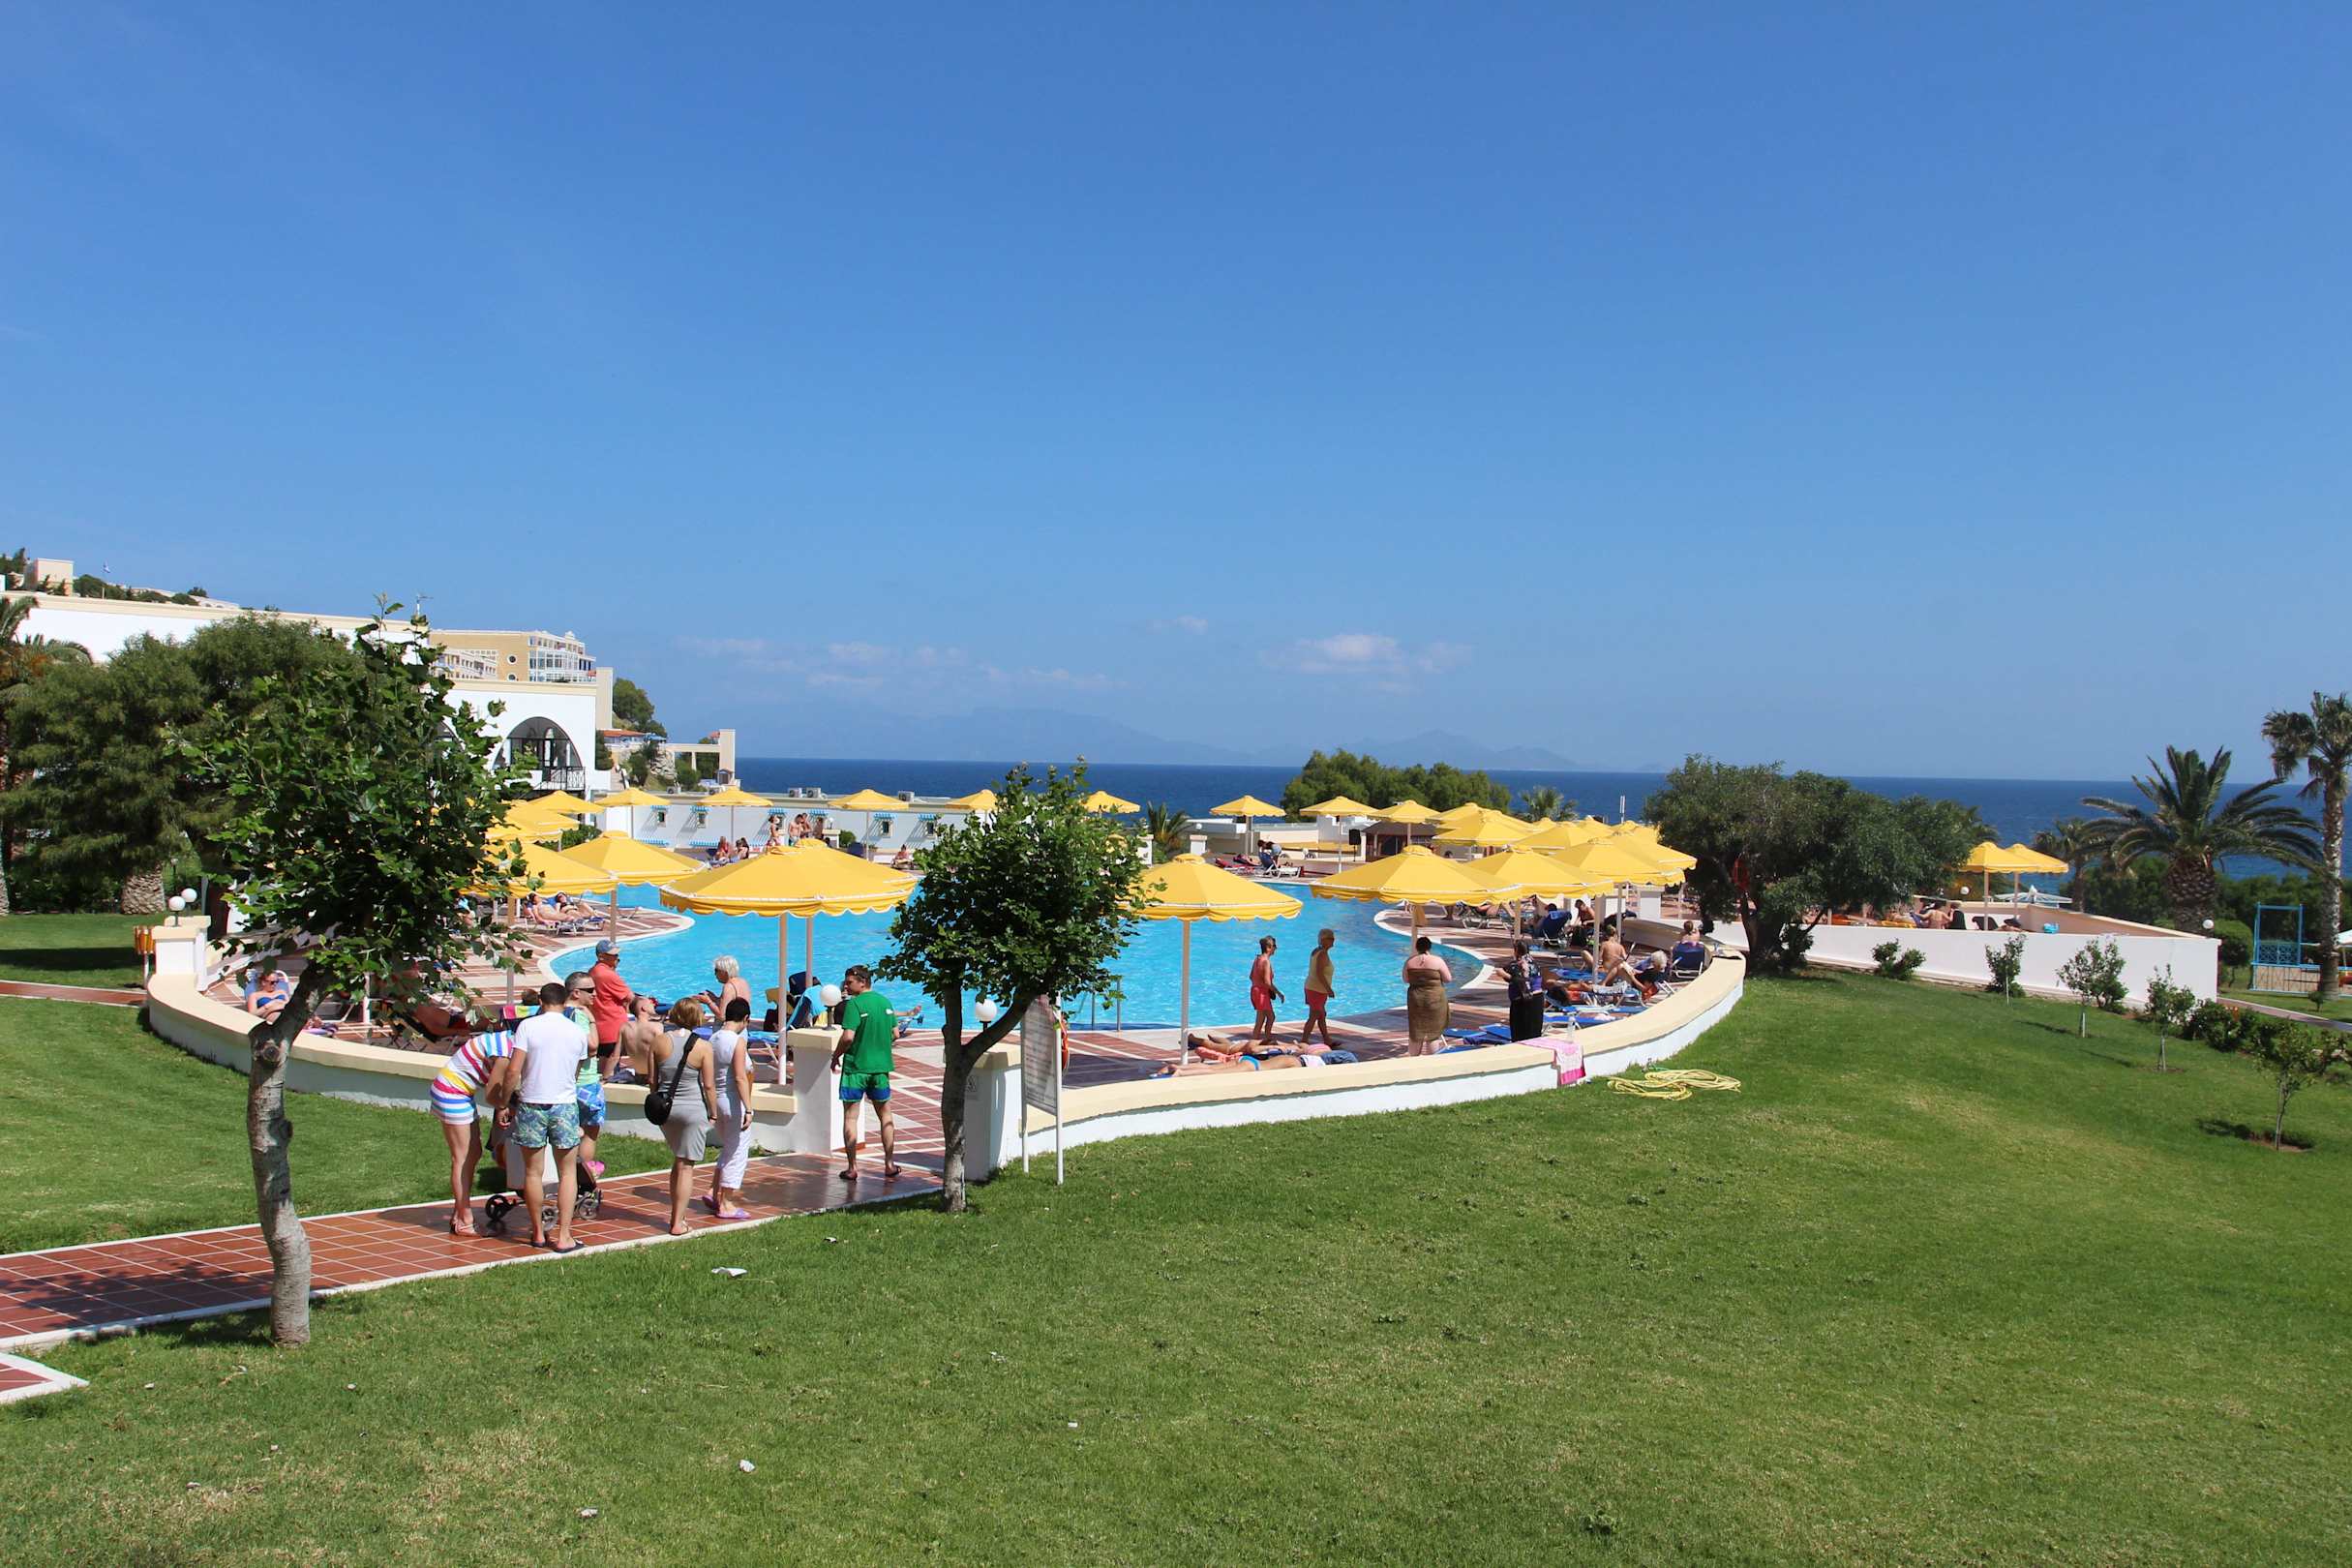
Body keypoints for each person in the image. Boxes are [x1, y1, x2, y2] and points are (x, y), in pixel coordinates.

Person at [504, 981, 589, 1252]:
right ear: (565, 1002)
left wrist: (504, 1100)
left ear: (541, 1001)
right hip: (564, 1105)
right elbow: (575, 1072)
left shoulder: (528, 1026)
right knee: (568, 1173)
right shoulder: (577, 1032)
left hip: (532, 1103)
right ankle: (564, 1236)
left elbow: (513, 1069)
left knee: (533, 1172)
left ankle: (538, 1232)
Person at [429, 1008, 518, 1235]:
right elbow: (492, 1094)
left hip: (458, 1091)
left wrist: (506, 1104)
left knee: (473, 1153)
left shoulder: (508, 1041)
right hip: (451, 1092)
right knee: (462, 1157)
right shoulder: (505, 1052)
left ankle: (459, 1212)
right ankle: (464, 1220)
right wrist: (504, 1107)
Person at [642, 999, 716, 1236]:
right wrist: (713, 1113)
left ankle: (677, 1216)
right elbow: (709, 1085)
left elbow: (652, 1080)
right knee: (686, 1166)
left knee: (678, 1161)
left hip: (666, 1110)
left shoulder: (659, 1041)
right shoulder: (703, 1047)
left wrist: (657, 1101)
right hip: (693, 1110)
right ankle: (677, 1223)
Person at [830, 964, 901, 1183]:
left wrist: (836, 1055)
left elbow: (848, 1037)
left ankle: (852, 1168)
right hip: (880, 1069)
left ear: (863, 982)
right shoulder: (885, 1002)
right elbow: (896, 1034)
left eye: (849, 983)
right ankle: (889, 1164)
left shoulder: (854, 1004)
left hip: (856, 1069)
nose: (845, 986)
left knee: (851, 1117)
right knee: (885, 1115)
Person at [705, 997, 757, 1220]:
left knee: (728, 1147)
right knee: (737, 1152)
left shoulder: (713, 1038)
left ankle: (713, 1191)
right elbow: (740, 1077)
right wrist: (749, 1108)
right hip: (733, 1101)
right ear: (746, 1018)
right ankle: (726, 1203)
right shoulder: (737, 1041)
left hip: (716, 1101)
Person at [559, 969, 608, 1177]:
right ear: (576, 993)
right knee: (589, 1132)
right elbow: (592, 1046)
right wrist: (592, 1020)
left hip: (563, 1080)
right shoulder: (579, 1015)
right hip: (585, 1082)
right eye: (590, 990)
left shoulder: (557, 1012)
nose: (595, 994)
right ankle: (585, 1175)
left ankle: (566, 1172)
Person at [588, 938, 634, 1080]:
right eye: (613, 955)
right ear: (601, 956)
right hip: (613, 1026)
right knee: (610, 1070)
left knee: (603, 1063)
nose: (617, 958)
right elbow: (630, 997)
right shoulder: (608, 975)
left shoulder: (593, 971)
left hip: (601, 1024)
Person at [1403, 936, 1451, 1055]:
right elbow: (1448, 979)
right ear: (1430, 947)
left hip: (1416, 999)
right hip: (1435, 998)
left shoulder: (1409, 962)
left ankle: (1414, 1059)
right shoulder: (1437, 961)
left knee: (1416, 1031)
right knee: (1433, 1032)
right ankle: (1431, 1060)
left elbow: (1406, 979)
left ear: (1417, 947)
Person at [1504, 937, 1545, 1041]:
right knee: (1534, 1034)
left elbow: (1519, 979)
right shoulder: (1534, 962)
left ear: (1516, 951)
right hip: (1537, 999)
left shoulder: (1518, 964)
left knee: (1520, 1035)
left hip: (1524, 1001)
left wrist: (1503, 974)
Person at [1302, 928, 1336, 1047]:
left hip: (1314, 988)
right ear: (1323, 940)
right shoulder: (1322, 954)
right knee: (1314, 1015)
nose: (1333, 940)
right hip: (1317, 989)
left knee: (1321, 1015)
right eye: (1331, 938)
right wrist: (1329, 989)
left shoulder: (1317, 951)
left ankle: (1327, 1040)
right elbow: (1319, 973)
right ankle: (1304, 1041)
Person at [1248, 936, 1283, 1046]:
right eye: (1274, 946)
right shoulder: (1266, 961)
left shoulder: (1257, 959)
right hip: (1261, 993)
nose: (1275, 948)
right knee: (1263, 1019)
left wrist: (1259, 985)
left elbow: (1251, 976)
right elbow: (1268, 982)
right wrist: (1278, 993)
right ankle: (1257, 1043)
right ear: (1268, 947)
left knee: (1268, 1017)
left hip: (1255, 991)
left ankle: (1265, 1040)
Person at [699, 955, 751, 1021]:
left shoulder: (728, 987)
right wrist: (715, 999)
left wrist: (708, 1002)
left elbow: (721, 1016)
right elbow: (733, 1005)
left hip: (731, 1026)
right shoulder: (743, 982)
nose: (715, 974)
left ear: (725, 972)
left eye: (716, 970)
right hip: (742, 1024)